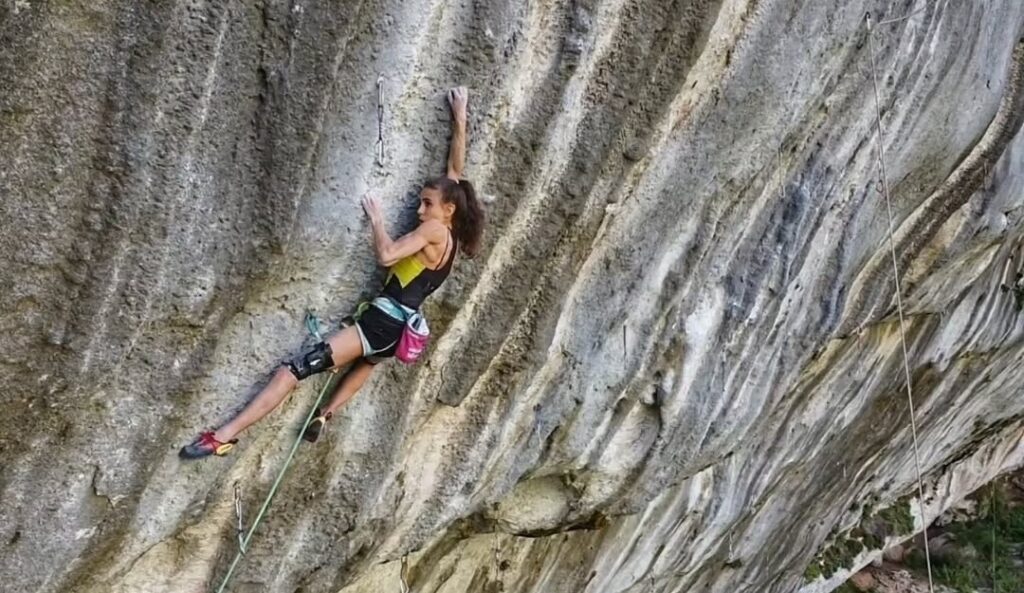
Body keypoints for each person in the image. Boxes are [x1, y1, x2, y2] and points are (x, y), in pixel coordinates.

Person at [180, 87, 484, 459]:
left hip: (379, 324)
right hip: (397, 332)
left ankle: (224, 436)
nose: (420, 210)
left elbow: (388, 255)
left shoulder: (434, 230)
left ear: (448, 209)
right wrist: (460, 117)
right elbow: (455, 172)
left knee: (293, 370)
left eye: (427, 204)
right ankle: (327, 412)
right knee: (367, 361)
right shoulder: (451, 234)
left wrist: (376, 220)